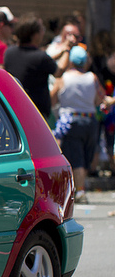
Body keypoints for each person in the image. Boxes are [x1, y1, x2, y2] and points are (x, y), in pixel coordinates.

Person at [51, 46, 115, 203]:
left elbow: (52, 99)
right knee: (86, 155)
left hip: (71, 121)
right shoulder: (92, 78)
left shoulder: (63, 78)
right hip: (90, 121)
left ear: (71, 61)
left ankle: (79, 191)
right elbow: (100, 99)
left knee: (75, 156)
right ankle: (79, 187)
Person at [4, 13, 71, 120]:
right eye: (42, 29)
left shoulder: (9, 52)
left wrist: (61, 52)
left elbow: (37, 63)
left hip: (13, 111)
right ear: (34, 34)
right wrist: (67, 49)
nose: (43, 33)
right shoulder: (40, 57)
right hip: (36, 114)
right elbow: (59, 71)